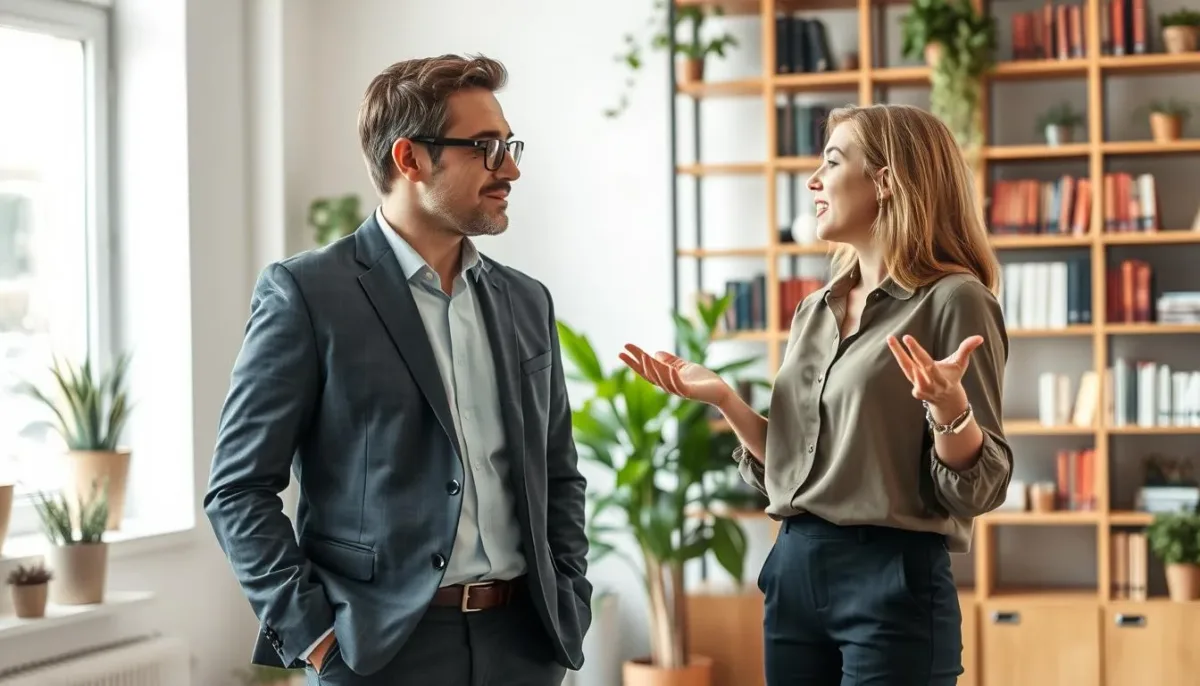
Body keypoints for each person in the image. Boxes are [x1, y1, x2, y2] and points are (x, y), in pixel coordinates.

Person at [204, 54, 591, 686]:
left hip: (525, 644)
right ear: (410, 159)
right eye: (486, 148)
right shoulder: (308, 293)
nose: (511, 169)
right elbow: (238, 489)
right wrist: (317, 639)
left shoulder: (527, 300)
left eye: (509, 145)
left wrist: (569, 595)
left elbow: (557, 471)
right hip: (381, 651)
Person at [620, 103, 1012, 686]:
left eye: (831, 162)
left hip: (892, 580)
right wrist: (726, 400)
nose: (813, 181)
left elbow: (980, 487)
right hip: (795, 571)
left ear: (885, 180)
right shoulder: (814, 308)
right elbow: (795, 460)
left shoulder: (955, 300)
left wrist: (951, 410)